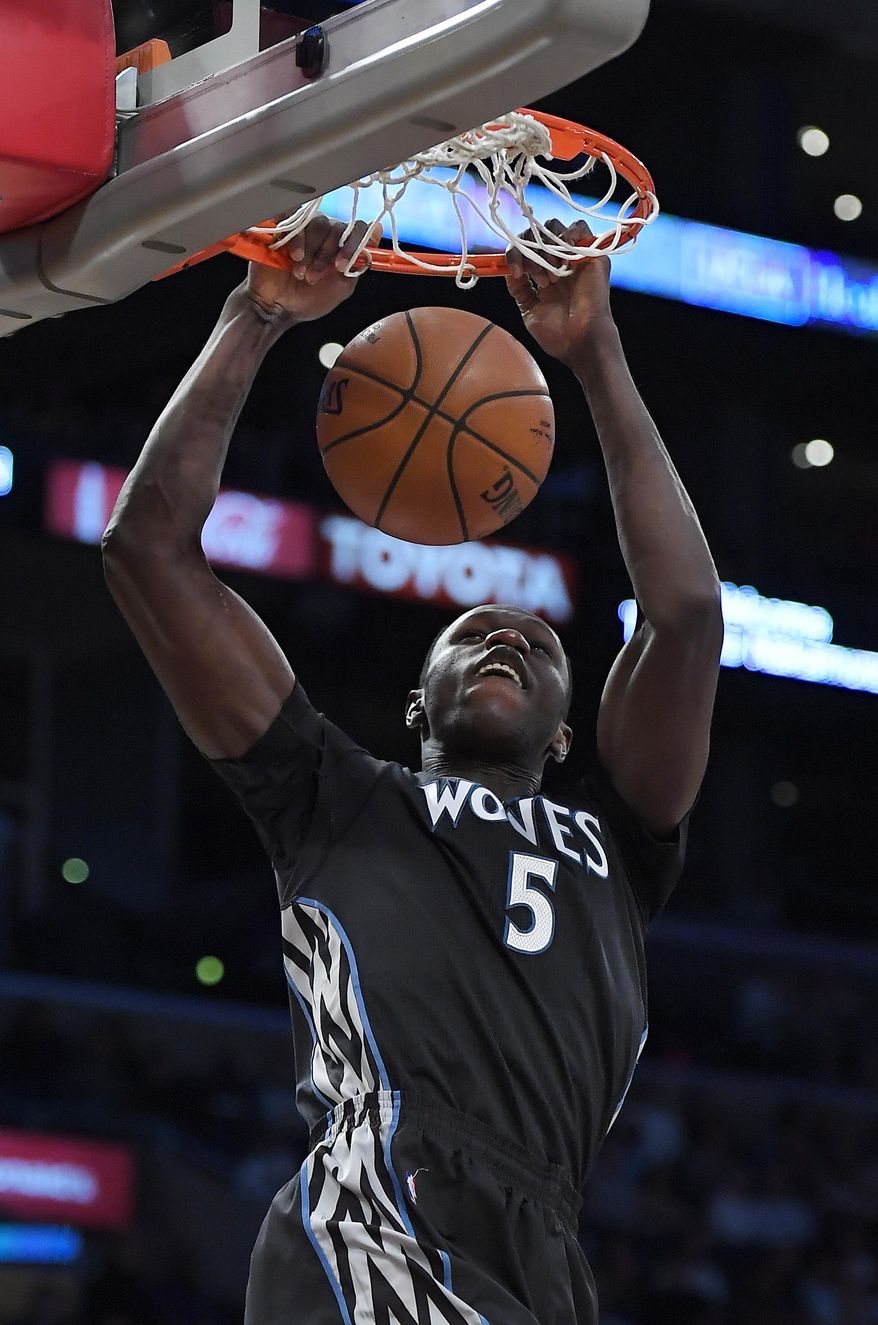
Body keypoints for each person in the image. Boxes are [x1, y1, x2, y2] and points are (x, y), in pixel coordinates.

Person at [101, 213, 723, 1324]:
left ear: (568, 736)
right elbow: (148, 549)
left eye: (536, 644)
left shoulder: (622, 841)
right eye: (474, 633)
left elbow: (681, 617)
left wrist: (596, 352)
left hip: (544, 1242)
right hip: (381, 1201)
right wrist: (255, 317)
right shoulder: (335, 796)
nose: (508, 638)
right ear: (412, 702)